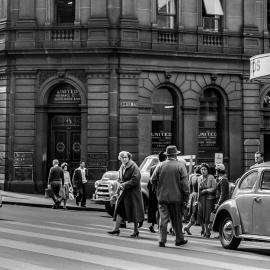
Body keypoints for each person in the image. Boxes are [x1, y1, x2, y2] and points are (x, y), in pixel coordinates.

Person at [151, 145, 189, 248]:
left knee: (163, 219)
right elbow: (185, 184)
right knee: (177, 220)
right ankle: (179, 239)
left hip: (162, 197)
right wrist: (186, 197)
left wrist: (158, 189)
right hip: (176, 197)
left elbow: (152, 180)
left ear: (167, 155)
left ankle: (162, 240)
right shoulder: (180, 166)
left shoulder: (160, 165)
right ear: (176, 155)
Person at [108, 151, 144, 237]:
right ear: (120, 158)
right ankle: (116, 229)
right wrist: (117, 188)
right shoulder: (122, 166)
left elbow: (135, 180)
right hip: (124, 193)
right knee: (119, 209)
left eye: (125, 157)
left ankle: (136, 231)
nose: (124, 159)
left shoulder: (134, 167)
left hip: (133, 193)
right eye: (122, 157)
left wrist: (124, 184)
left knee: (134, 211)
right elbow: (119, 178)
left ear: (129, 158)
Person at [148, 151, 167, 233]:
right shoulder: (165, 166)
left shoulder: (153, 167)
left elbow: (151, 180)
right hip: (162, 190)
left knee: (154, 208)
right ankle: (160, 227)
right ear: (165, 158)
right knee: (161, 209)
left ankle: (152, 225)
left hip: (153, 190)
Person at [197, 163, 216, 238]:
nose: (203, 171)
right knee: (201, 214)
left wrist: (206, 190)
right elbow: (199, 190)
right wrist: (197, 200)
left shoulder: (211, 177)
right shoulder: (199, 178)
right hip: (201, 199)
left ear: (208, 170)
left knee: (207, 215)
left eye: (205, 169)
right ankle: (204, 229)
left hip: (209, 198)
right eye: (202, 169)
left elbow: (214, 188)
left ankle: (207, 232)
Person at [183, 165, 201, 235]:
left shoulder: (191, 176)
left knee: (194, 213)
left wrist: (189, 198)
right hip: (197, 196)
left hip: (192, 195)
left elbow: (189, 188)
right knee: (197, 213)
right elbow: (199, 189)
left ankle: (188, 227)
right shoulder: (200, 178)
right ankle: (187, 227)